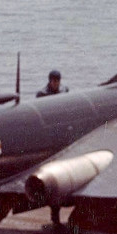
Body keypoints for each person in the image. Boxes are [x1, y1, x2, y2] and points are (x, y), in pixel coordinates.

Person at [36, 69, 68, 224]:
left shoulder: (65, 91)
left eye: (57, 80)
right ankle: (54, 214)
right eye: (53, 81)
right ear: (49, 81)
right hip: (50, 138)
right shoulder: (42, 95)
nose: (56, 83)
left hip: (62, 136)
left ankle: (57, 211)